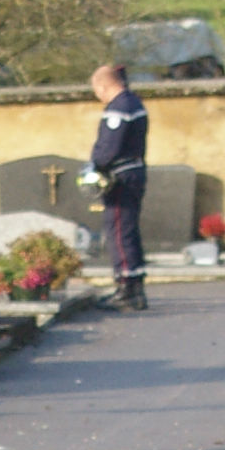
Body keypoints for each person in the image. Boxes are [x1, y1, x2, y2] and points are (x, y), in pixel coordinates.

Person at [87, 62, 148, 310]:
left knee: (119, 230)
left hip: (120, 176)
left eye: (97, 91)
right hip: (134, 170)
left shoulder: (118, 108)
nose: (98, 96)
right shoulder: (134, 103)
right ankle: (135, 285)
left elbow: (109, 147)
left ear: (103, 86)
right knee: (129, 229)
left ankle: (126, 288)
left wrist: (95, 163)